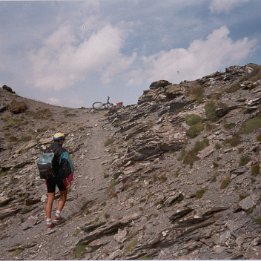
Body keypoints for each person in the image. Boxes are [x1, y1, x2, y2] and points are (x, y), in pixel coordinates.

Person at [44, 132, 74, 229]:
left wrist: (45, 178)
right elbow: (68, 165)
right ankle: (57, 215)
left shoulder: (47, 150)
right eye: (63, 139)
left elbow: (44, 166)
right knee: (64, 193)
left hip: (48, 177)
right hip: (59, 176)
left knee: (50, 197)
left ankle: (48, 221)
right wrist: (69, 177)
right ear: (61, 140)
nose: (64, 141)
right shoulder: (62, 151)